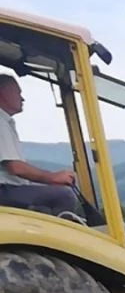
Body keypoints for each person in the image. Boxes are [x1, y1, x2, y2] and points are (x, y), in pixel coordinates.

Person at [0, 73, 83, 218]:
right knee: (64, 195)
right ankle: (58, 238)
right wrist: (52, 177)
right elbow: (15, 167)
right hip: (4, 190)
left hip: (8, 189)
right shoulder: (1, 122)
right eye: (18, 93)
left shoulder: (5, 122)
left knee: (49, 200)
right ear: (3, 94)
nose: (22, 98)